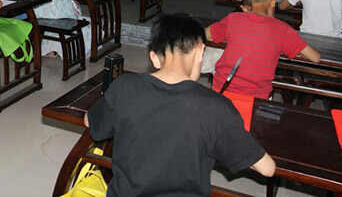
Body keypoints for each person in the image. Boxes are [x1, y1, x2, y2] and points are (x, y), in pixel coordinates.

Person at [85, 14, 275, 197]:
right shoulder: (216, 107)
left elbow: (90, 122)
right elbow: (267, 169)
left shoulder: (124, 86)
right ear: (200, 52)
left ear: (154, 58)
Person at [205, 0, 321, 99]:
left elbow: (206, 34)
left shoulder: (233, 19)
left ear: (245, 7)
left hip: (221, 89)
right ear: (273, 1)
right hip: (255, 97)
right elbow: (315, 57)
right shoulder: (283, 29)